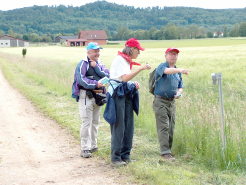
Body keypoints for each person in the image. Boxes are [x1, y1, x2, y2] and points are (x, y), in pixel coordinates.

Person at [106, 38, 151, 166]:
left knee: (128, 125)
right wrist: (141, 68)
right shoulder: (120, 60)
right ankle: (116, 158)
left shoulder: (125, 61)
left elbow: (122, 79)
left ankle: (125, 155)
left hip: (124, 93)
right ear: (132, 49)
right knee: (119, 126)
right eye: (138, 50)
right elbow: (124, 78)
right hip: (117, 95)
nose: (139, 53)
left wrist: (132, 84)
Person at [72, 42, 110, 158]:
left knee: (95, 122)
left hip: (98, 97)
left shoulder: (99, 63)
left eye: (98, 51)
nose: (97, 53)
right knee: (86, 122)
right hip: (86, 96)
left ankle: (93, 146)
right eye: (95, 51)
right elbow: (81, 80)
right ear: (88, 52)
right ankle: (85, 148)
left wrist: (97, 70)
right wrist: (96, 83)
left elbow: (108, 76)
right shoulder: (82, 64)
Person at [153, 48, 189, 160]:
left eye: (175, 54)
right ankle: (165, 152)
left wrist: (179, 93)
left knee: (171, 127)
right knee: (164, 126)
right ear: (165, 55)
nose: (173, 56)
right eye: (171, 54)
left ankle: (168, 149)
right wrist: (180, 70)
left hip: (172, 102)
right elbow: (166, 71)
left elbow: (180, 86)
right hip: (160, 101)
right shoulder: (162, 66)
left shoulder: (177, 71)